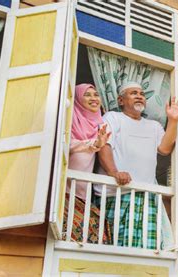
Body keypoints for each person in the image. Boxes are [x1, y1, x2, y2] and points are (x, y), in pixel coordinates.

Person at [97, 81, 178, 249]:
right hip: (116, 193)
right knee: (116, 250)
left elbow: (164, 149)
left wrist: (173, 120)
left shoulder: (153, 126)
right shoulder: (113, 117)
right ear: (120, 100)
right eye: (133, 93)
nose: (139, 96)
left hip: (146, 196)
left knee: (147, 248)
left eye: (142, 93)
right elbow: (104, 145)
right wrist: (114, 172)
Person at [64, 83, 111, 244]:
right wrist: (93, 144)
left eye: (96, 94)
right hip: (63, 190)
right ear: (77, 98)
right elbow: (66, 144)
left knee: (96, 233)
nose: (93, 98)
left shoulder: (100, 126)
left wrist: (97, 143)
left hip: (82, 194)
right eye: (87, 95)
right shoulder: (69, 119)